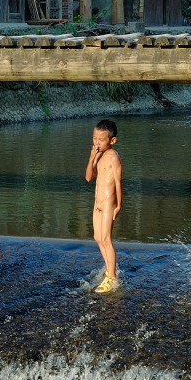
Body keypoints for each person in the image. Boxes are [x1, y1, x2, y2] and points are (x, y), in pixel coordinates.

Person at [85, 119, 122, 293]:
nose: (97, 143)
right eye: (95, 139)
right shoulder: (98, 154)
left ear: (112, 141)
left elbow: (118, 181)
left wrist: (119, 204)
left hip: (108, 203)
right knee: (97, 237)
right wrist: (92, 157)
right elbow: (88, 178)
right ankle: (109, 269)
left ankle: (112, 279)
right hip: (97, 203)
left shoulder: (113, 157)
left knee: (106, 239)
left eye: (101, 140)